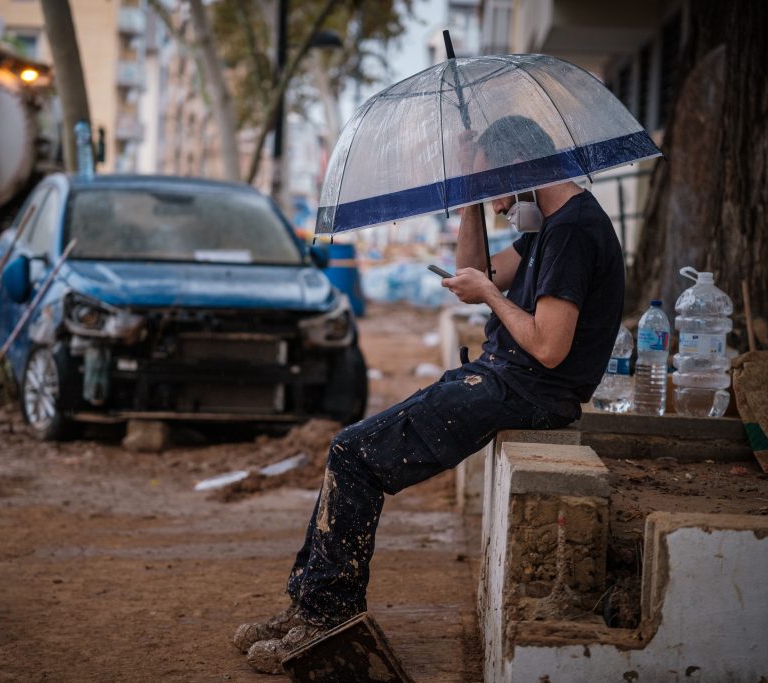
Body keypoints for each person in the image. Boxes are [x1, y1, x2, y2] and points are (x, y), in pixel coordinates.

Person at [233, 115, 626, 674]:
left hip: (527, 390)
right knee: (351, 449)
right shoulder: (550, 226)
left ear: (522, 167)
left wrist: (490, 294)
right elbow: (476, 272)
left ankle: (326, 620)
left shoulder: (574, 232)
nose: (497, 205)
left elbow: (549, 346)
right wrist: (469, 196)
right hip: (501, 377)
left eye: (495, 188)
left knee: (355, 455)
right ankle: (308, 604)